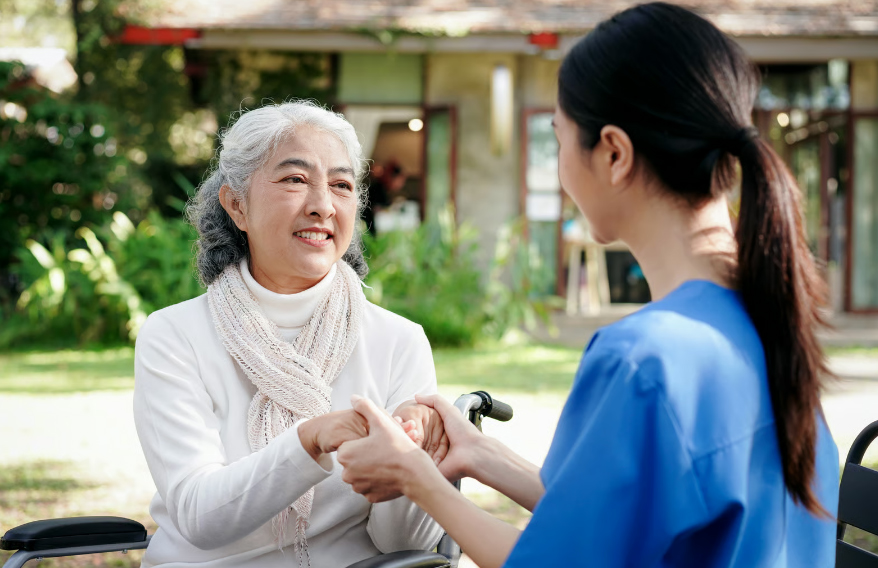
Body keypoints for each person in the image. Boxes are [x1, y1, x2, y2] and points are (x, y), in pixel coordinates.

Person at [336, 3, 839, 567]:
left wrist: (415, 476)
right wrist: (480, 455)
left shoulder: (645, 362)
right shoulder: (764, 321)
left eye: (559, 140)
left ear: (614, 154)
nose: (561, 170)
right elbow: (640, 520)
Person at [132, 101, 446, 568]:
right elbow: (199, 516)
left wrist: (411, 458)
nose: (322, 205)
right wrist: (310, 438)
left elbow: (403, 544)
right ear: (237, 205)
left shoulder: (399, 342)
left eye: (341, 185)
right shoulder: (175, 335)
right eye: (296, 179)